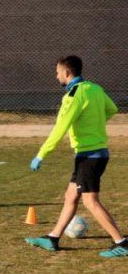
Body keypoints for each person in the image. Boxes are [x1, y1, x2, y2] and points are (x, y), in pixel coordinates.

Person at [26, 55, 127, 258]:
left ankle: (122, 243)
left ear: (66, 73)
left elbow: (59, 129)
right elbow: (112, 109)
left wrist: (41, 154)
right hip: (96, 153)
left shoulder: (72, 96)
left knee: (90, 201)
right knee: (70, 196)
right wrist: (92, 121)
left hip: (89, 156)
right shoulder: (95, 88)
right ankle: (53, 238)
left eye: (57, 73)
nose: (56, 77)